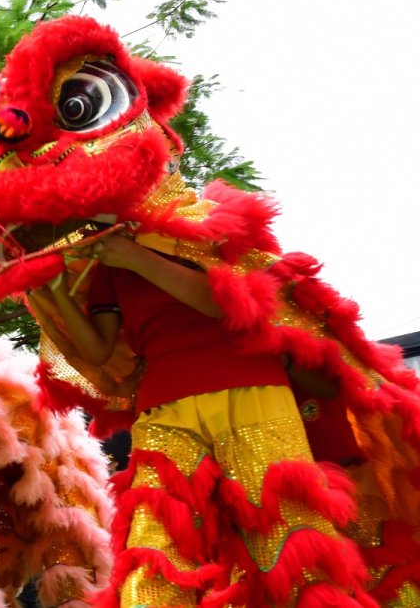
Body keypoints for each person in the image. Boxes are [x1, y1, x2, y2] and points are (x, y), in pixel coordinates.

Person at [37, 233, 369, 604]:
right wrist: (55, 289)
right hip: (162, 406)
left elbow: (220, 302)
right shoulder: (106, 268)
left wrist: (136, 256)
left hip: (252, 393)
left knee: (286, 539)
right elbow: (98, 352)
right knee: (154, 547)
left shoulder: (205, 230)